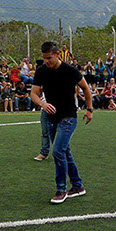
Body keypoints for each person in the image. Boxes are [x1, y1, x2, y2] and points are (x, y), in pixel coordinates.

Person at [30, 41, 94, 204]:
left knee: (58, 151)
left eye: (49, 58)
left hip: (68, 117)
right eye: (44, 58)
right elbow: (34, 94)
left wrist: (89, 109)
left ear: (57, 54)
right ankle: (78, 186)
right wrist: (43, 104)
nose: (46, 61)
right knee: (65, 152)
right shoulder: (41, 71)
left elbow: (86, 89)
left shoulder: (70, 70)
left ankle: (61, 189)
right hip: (51, 118)